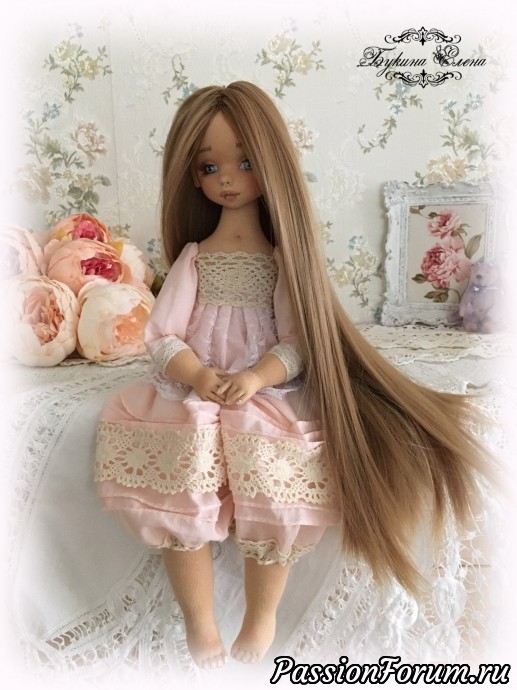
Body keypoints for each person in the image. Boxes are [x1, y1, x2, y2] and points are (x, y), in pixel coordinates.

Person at [95, 81, 491, 669]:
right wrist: (197, 374)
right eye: (209, 166)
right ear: (194, 177)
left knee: (275, 481)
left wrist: (258, 377)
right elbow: (162, 335)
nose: (228, 180)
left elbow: (298, 342)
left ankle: (261, 619)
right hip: (196, 391)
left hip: (262, 393)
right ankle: (200, 623)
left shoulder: (282, 262)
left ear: (271, 168)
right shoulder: (194, 258)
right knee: (180, 480)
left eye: (245, 163)